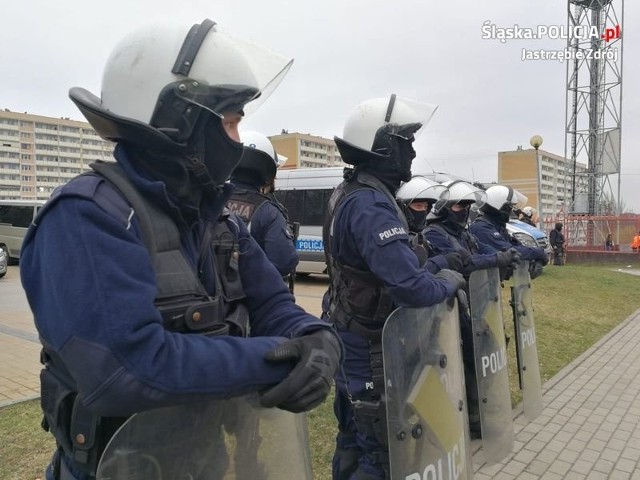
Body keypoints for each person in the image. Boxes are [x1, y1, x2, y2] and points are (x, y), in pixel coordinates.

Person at [20, 19, 341, 480]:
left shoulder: (215, 217)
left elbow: (272, 302)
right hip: (117, 468)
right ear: (178, 123)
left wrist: (317, 338)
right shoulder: (87, 216)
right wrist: (277, 359)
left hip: (203, 460)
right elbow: (125, 369)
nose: (236, 141)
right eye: (229, 123)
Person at [322, 94, 467, 479]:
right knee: (382, 455)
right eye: (406, 141)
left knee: (352, 443)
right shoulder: (371, 204)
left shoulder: (352, 191)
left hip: (351, 337)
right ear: (383, 145)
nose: (413, 149)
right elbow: (409, 287)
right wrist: (446, 284)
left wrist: (432, 266)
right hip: (371, 348)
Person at [422, 180, 520, 437]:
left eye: (467, 205)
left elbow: (483, 250)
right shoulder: (435, 233)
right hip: (452, 309)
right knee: (466, 360)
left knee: (487, 352)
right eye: (458, 206)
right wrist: (498, 258)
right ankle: (473, 418)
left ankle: (484, 408)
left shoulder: (464, 234)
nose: (463, 211)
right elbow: (467, 263)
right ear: (444, 207)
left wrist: (509, 253)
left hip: (475, 303)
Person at [227, 130, 298, 278]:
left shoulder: (211, 200)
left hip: (211, 296)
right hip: (251, 297)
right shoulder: (268, 212)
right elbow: (284, 262)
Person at [469, 185, 548, 279]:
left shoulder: (498, 226)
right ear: (500, 207)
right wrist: (539, 252)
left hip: (491, 283)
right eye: (509, 208)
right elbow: (509, 251)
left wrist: (534, 260)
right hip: (479, 285)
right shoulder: (481, 228)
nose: (511, 212)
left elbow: (518, 246)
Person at [395, 175, 464, 272]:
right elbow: (404, 272)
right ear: (403, 208)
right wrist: (441, 261)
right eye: (418, 206)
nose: (423, 211)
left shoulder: (420, 236)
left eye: (425, 206)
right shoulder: (397, 236)